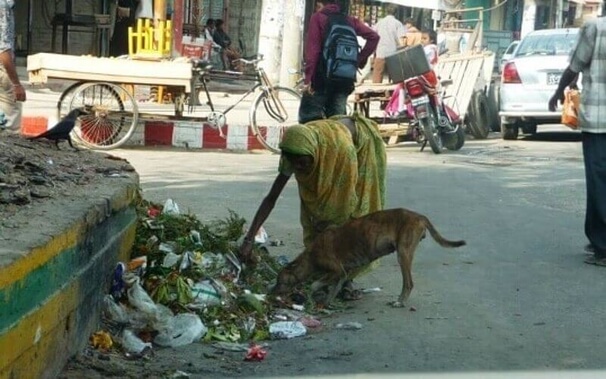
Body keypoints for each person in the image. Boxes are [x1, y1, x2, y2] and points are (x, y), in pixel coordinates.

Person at [239, 113, 387, 298]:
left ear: (313, 153)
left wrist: (330, 228)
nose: (299, 169)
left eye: (303, 163)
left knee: (353, 219)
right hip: (329, 140)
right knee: (322, 222)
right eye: (295, 165)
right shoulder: (294, 151)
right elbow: (271, 198)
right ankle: (328, 268)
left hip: (360, 145)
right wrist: (249, 239)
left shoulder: (341, 151)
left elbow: (346, 203)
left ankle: (344, 279)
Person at [548, 16, 606, 267]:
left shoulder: (596, 27)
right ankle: (597, 239)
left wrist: (558, 90)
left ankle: (603, 245)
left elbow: (576, 65)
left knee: (598, 181)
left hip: (598, 119)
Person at [299, 0, 379, 123]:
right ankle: (340, 140)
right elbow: (374, 37)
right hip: (344, 79)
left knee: (310, 120)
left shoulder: (318, 18)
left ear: (320, 4)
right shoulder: (350, 20)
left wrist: (308, 78)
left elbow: (313, 52)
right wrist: (358, 60)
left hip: (321, 79)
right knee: (339, 121)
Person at [0, 0, 25, 133]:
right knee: (12, 113)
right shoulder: (3, 7)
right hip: (2, 67)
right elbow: (3, 49)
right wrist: (16, 84)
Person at [371, 4, 407, 83]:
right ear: (396, 13)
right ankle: (394, 92)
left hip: (380, 51)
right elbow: (402, 40)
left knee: (377, 74)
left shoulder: (379, 23)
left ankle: (375, 90)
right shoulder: (398, 24)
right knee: (395, 76)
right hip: (393, 53)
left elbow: (373, 35)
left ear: (386, 12)